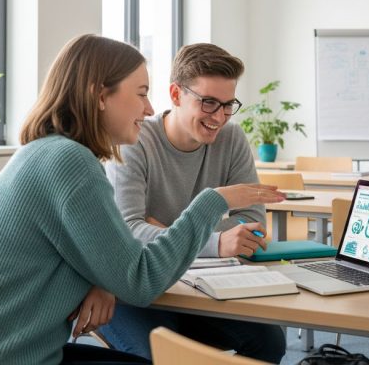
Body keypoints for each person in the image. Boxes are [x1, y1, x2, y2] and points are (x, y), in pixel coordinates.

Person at [0, 35, 283, 365]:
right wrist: (212, 202)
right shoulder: (70, 162)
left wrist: (104, 276)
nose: (149, 108)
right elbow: (140, 280)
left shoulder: (47, 152)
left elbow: (104, 252)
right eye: (141, 93)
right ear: (101, 96)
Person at [98, 43, 286, 363]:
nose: (220, 117)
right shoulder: (134, 139)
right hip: (134, 293)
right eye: (209, 102)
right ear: (176, 95)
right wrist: (216, 242)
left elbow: (251, 224)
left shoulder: (232, 139)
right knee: (155, 357)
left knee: (269, 341)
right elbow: (129, 233)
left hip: (200, 285)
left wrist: (165, 230)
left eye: (228, 104)